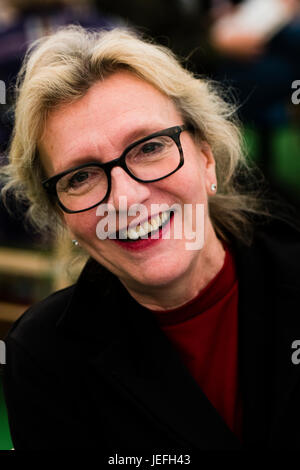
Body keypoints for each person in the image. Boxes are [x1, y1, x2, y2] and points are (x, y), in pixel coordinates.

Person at [1, 25, 300, 452]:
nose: (125, 199)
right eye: (81, 176)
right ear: (62, 216)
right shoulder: (43, 359)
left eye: (149, 147)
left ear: (206, 157)